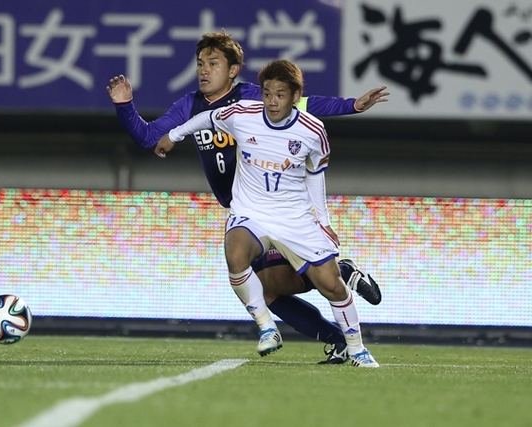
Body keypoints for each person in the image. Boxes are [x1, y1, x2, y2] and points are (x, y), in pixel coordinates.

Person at [108, 32, 385, 363]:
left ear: (233, 70)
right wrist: (124, 106)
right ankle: (337, 318)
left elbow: (306, 105)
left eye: (213, 63)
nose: (204, 70)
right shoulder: (190, 106)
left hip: (277, 207)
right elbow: (149, 137)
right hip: (245, 210)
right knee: (270, 289)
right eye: (200, 63)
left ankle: (338, 298)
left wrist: (352, 105)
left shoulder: (254, 98)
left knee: (274, 287)